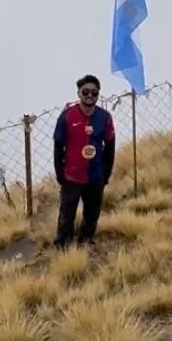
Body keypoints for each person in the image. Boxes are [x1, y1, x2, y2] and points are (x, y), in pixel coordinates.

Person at [53, 74, 116, 247]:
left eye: (94, 93)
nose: (90, 96)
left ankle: (86, 240)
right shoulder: (67, 116)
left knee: (92, 213)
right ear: (79, 93)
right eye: (86, 92)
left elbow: (110, 146)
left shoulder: (105, 118)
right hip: (71, 175)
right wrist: (60, 174)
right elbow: (58, 146)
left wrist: (106, 174)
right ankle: (62, 244)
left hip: (95, 176)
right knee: (67, 213)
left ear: (98, 95)